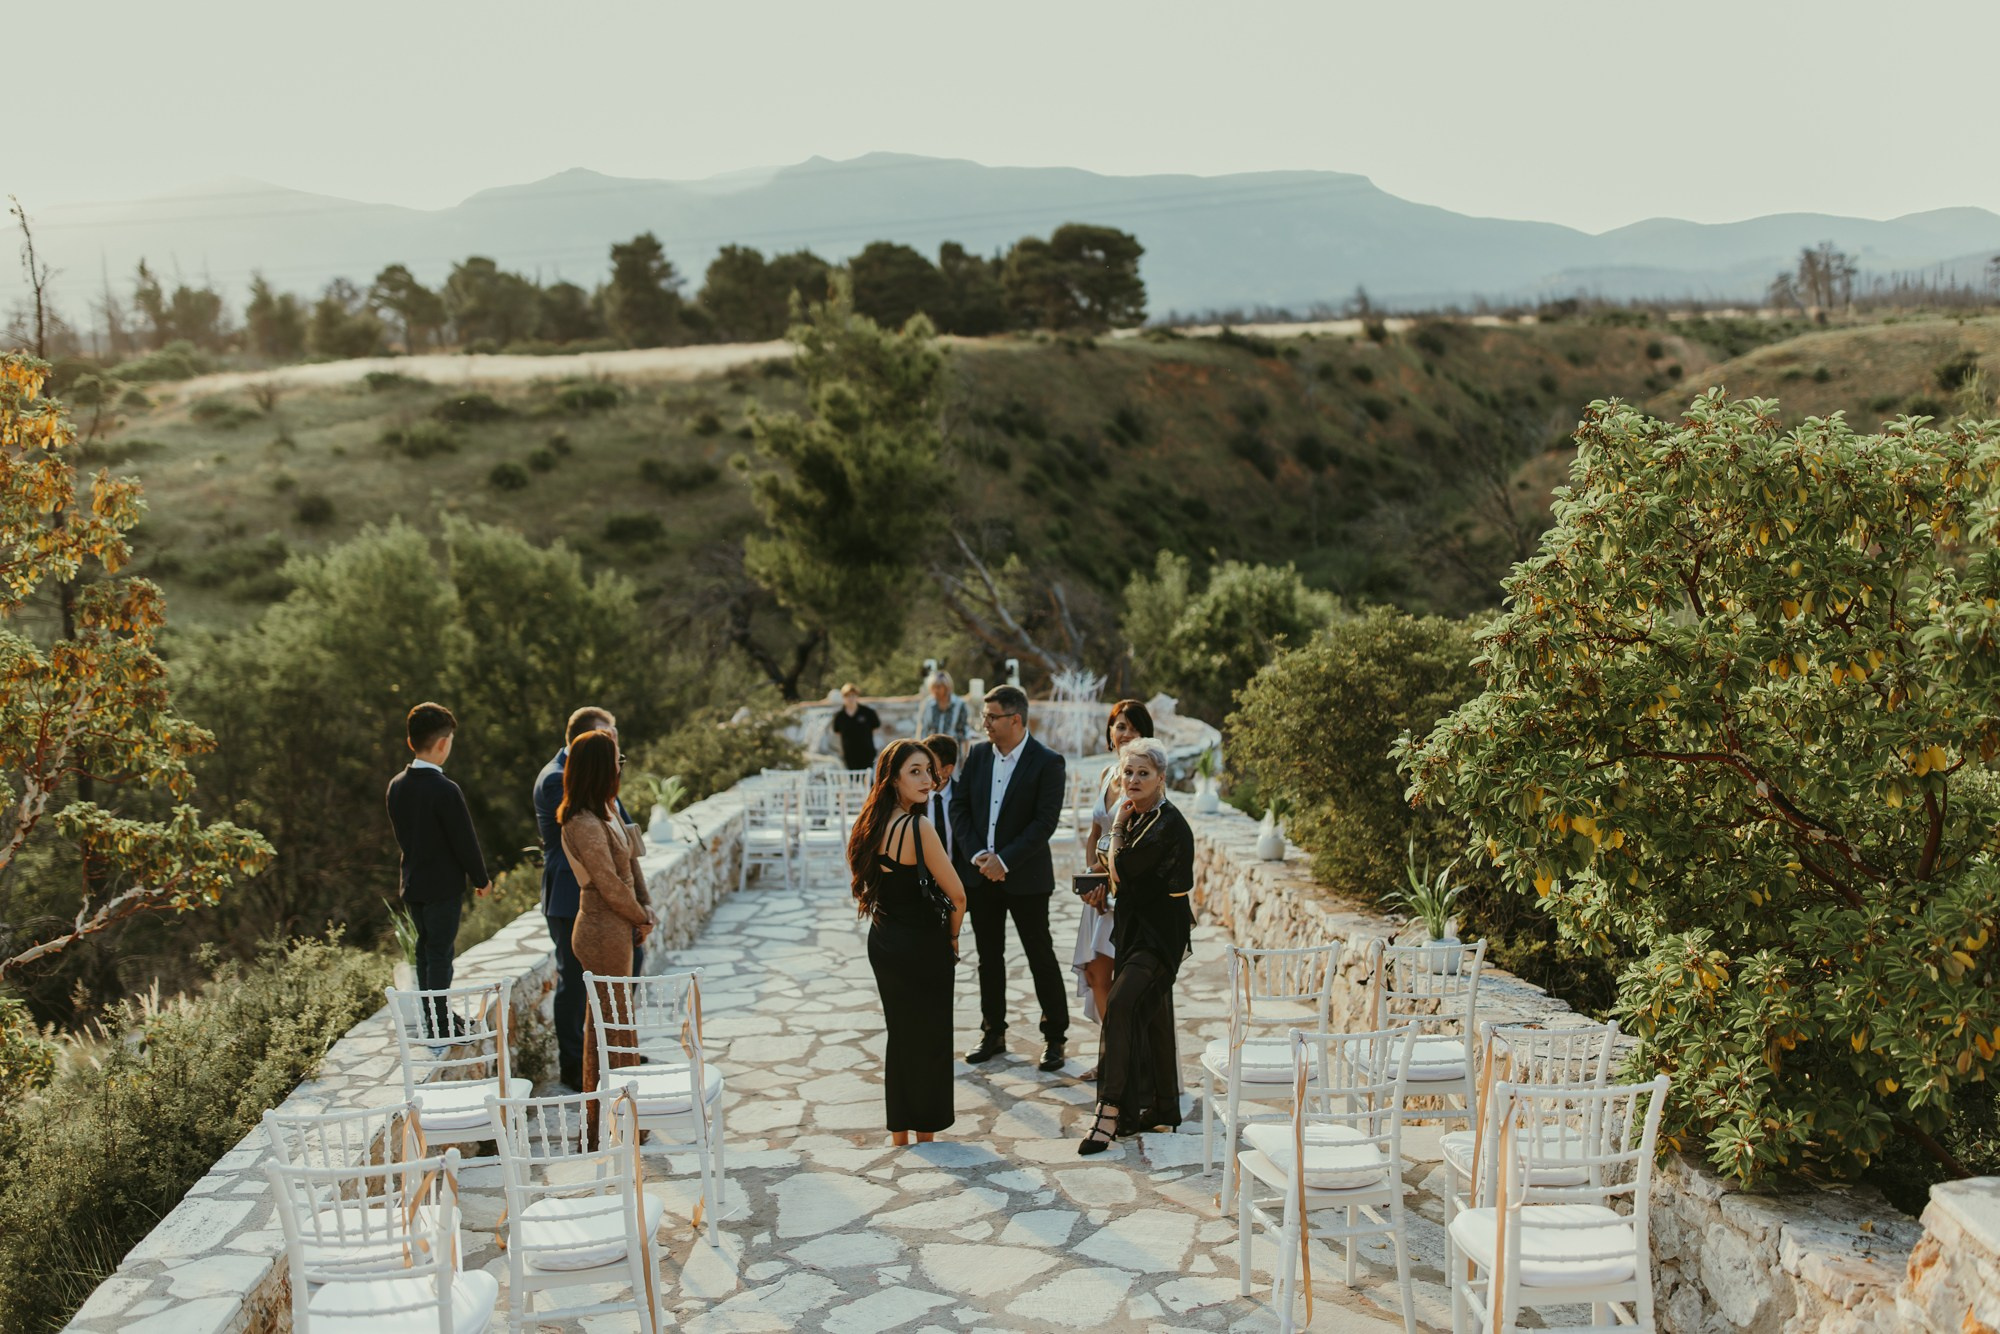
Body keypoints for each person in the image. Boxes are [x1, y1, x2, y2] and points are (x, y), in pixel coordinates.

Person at [1078, 736, 1195, 1153]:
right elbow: (1112, 869)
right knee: (1154, 1015)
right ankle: (1162, 1108)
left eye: (1143, 773)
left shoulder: (1167, 823)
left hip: (1160, 936)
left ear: (1161, 778)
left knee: (1123, 1006)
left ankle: (1110, 1112)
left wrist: (1115, 828)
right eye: (1128, 772)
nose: (1133, 780)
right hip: (1132, 928)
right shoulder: (1139, 817)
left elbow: (1122, 867)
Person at [851, 739, 967, 1145]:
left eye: (927, 770)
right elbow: (958, 896)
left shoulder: (869, 823)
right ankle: (925, 1134)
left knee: (901, 1037)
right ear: (893, 779)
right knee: (930, 1039)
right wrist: (952, 939)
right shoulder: (917, 826)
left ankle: (899, 1134)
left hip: (884, 942)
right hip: (922, 946)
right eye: (914, 771)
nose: (926, 779)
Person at [950, 684, 1071, 1072]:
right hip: (981, 875)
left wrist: (1005, 860)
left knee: (1040, 956)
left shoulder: (1048, 761)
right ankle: (993, 1031)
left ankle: (1055, 1038)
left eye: (991, 717)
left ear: (1015, 719)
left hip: (1027, 879)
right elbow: (960, 806)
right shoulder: (979, 754)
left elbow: (1044, 822)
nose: (984, 723)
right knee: (989, 958)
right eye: (984, 716)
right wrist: (977, 855)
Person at [534, 705, 644, 1092]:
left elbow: (625, 831)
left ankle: (617, 1054)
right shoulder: (557, 780)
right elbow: (593, 853)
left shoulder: (599, 776)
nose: (615, 745)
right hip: (572, 897)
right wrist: (638, 911)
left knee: (617, 989)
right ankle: (574, 1064)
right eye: (607, 736)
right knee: (574, 984)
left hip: (613, 908)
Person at [557, 729, 658, 1139]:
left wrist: (645, 909)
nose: (621, 766)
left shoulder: (606, 810)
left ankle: (612, 1121)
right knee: (610, 1031)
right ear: (601, 766)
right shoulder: (582, 822)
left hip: (619, 927)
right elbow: (607, 883)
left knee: (616, 1026)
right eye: (617, 759)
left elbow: (631, 865)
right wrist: (638, 915)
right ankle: (609, 1125)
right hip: (600, 931)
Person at [384, 702, 492, 1033]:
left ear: (410, 741)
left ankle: (435, 1016)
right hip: (443, 885)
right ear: (444, 743)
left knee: (425, 949)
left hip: (413, 884)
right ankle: (441, 1021)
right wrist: (481, 878)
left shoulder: (396, 785)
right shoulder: (445, 790)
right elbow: (465, 840)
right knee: (441, 953)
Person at [1072, 700, 1155, 1078]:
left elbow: (1141, 845)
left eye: (1133, 727)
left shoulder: (1146, 781)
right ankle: (1112, 1056)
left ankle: (1131, 1062)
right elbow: (1094, 833)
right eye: (1119, 726)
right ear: (1110, 733)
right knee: (1095, 975)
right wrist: (1092, 872)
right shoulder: (1108, 774)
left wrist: (1111, 880)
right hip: (1098, 896)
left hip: (1127, 896)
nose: (1125, 733)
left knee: (1124, 983)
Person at [921, 733, 960, 864]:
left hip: (960, 878)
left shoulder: (964, 796)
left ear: (947, 770)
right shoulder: (913, 799)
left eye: (930, 768)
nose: (924, 775)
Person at [830, 684, 881, 772]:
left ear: (857, 696)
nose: (850, 698)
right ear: (843, 698)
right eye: (847, 696)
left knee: (868, 779)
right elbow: (837, 733)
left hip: (867, 753)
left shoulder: (868, 712)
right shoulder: (839, 716)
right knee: (853, 779)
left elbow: (875, 728)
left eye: (853, 695)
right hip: (849, 754)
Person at [916, 671, 969, 749]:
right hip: (932, 749)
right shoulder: (928, 704)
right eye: (933, 687)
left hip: (952, 750)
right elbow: (923, 729)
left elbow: (964, 732)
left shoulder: (959, 704)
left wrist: (965, 755)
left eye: (938, 687)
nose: (936, 690)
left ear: (947, 687)